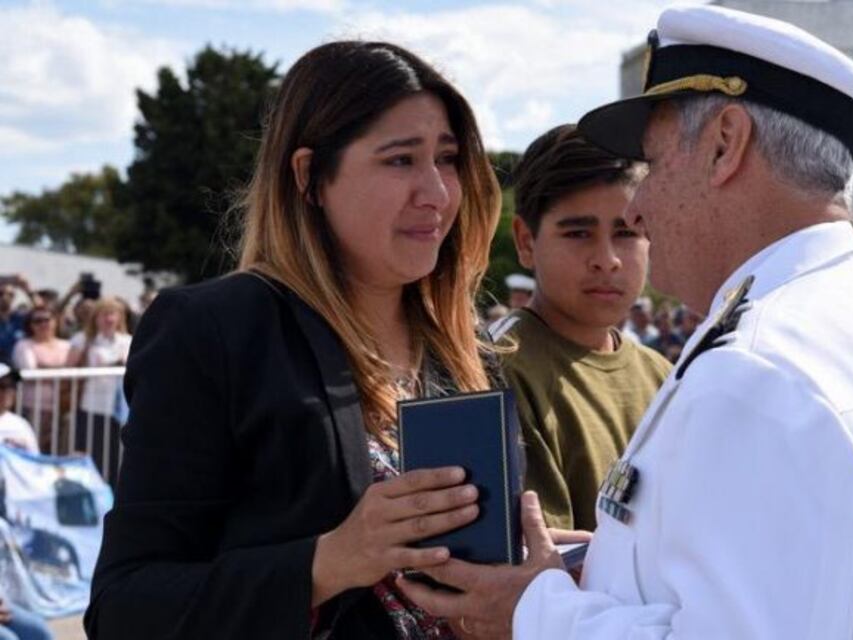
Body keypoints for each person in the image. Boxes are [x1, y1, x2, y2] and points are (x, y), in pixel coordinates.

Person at [398, 6, 853, 639]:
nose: (640, 208)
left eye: (653, 163)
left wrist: (531, 613)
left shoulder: (766, 371)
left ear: (725, 143)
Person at [85, 41, 503, 639]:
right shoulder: (216, 330)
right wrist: (327, 562)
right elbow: (125, 609)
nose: (436, 192)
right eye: (400, 160)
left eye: (448, 158)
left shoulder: (467, 346)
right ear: (310, 177)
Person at [489, 124, 671, 531]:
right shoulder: (497, 368)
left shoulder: (664, 375)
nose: (607, 260)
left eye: (626, 233)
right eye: (578, 234)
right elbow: (538, 564)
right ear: (525, 241)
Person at [66, 298, 132, 486]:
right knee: (91, 453)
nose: (109, 319)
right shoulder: (83, 340)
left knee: (116, 457)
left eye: (113, 314)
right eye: (104, 314)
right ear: (95, 317)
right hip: (92, 406)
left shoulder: (128, 341)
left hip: (120, 410)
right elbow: (69, 369)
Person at [11, 307, 70, 452]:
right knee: (34, 448)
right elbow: (30, 372)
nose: (43, 324)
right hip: (33, 406)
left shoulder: (67, 345)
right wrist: (60, 371)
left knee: (59, 448)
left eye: (47, 319)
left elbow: (71, 374)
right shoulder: (23, 345)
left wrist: (44, 367)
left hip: (62, 407)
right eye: (37, 321)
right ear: (30, 325)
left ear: (55, 322)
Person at [0, 365, 39, 454]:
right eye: (2, 386)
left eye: (12, 386)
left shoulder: (21, 425)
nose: (8, 391)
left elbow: (35, 463)